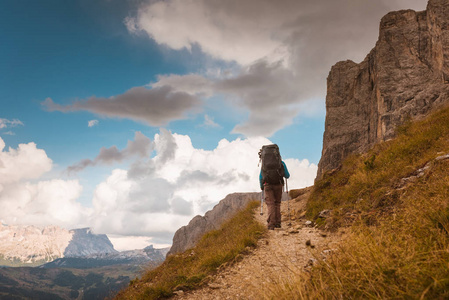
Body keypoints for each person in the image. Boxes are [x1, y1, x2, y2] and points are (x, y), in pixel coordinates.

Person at [259, 148, 290, 230]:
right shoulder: (281, 163)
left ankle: (271, 224)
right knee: (277, 203)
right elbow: (287, 175)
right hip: (278, 184)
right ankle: (278, 223)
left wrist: (262, 186)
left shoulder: (264, 164)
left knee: (270, 204)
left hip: (268, 185)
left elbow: (260, 177)